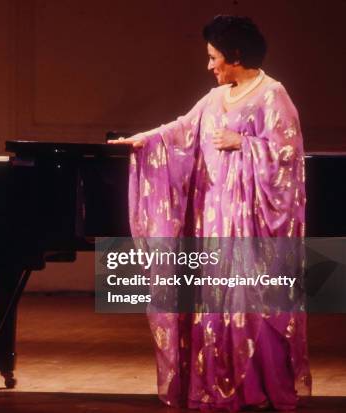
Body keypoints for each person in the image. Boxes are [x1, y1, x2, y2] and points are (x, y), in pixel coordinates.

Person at [109, 16, 310, 411]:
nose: (209, 66)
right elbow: (181, 129)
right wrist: (142, 141)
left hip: (252, 226)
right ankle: (218, 385)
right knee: (215, 302)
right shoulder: (215, 98)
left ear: (235, 56)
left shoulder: (273, 96)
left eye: (213, 57)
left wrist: (245, 143)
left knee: (249, 303)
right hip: (215, 216)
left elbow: (288, 157)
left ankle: (257, 388)